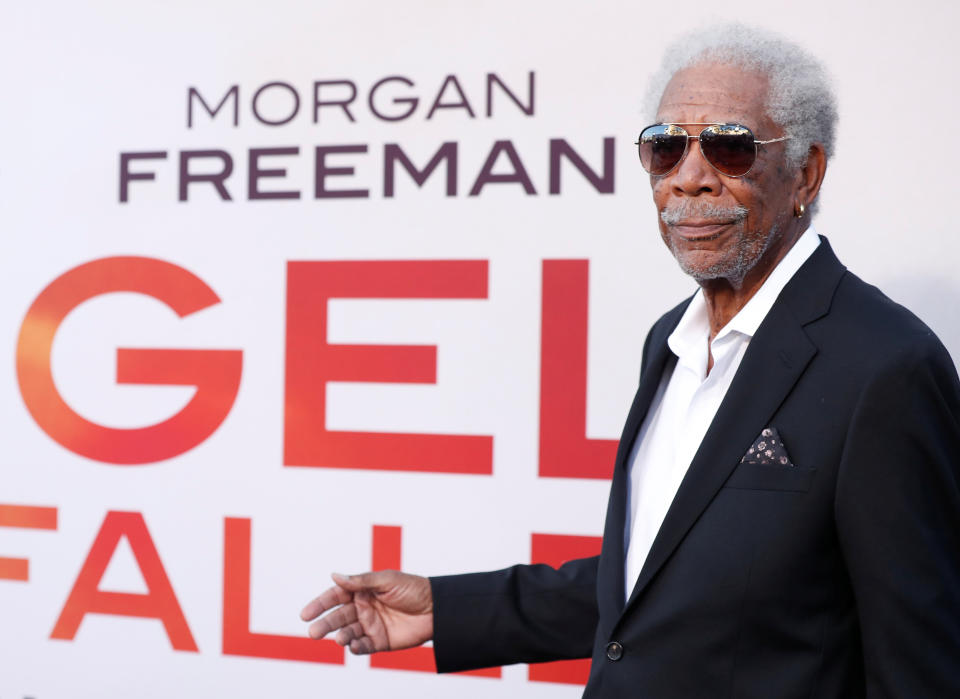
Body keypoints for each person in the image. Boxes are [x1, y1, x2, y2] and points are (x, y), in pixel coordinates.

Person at [300, 24, 960, 698]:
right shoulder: (667, 340)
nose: (691, 178)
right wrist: (449, 608)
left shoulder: (887, 368)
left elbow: (920, 666)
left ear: (806, 173)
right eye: (666, 148)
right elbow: (657, 582)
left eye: (731, 147)